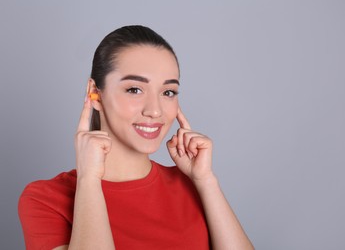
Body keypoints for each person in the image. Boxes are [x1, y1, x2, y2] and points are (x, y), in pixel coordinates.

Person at [18, 25, 254, 250]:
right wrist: (88, 180)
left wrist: (205, 181)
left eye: (168, 92)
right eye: (135, 89)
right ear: (95, 94)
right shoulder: (45, 199)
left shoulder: (192, 184)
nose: (155, 110)